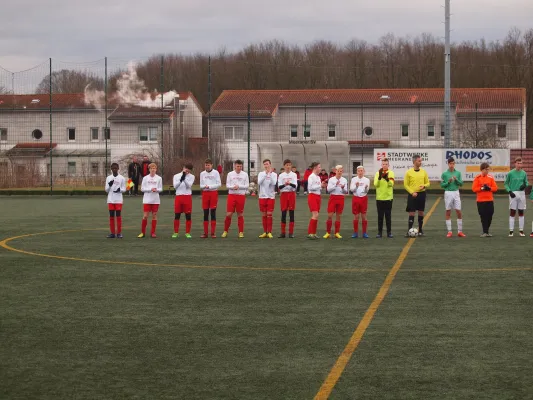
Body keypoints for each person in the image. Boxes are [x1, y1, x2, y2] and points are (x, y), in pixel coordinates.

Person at [404, 154, 430, 237]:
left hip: (422, 194)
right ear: (415, 162)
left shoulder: (423, 172)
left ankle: (420, 231)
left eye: (421, 161)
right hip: (412, 195)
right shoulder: (408, 172)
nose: (420, 162)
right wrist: (412, 192)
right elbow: (406, 185)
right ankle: (409, 231)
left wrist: (424, 186)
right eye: (419, 161)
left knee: (421, 212)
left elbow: (428, 183)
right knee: (411, 213)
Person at [222, 160, 249, 238]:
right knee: (229, 214)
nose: (239, 168)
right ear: (234, 166)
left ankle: (241, 232)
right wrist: (233, 187)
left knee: (240, 214)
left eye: (240, 166)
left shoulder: (245, 174)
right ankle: (225, 231)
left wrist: (239, 186)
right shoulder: (230, 174)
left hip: (241, 196)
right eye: (238, 166)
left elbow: (247, 185)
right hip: (232, 195)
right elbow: (227, 185)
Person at [441, 157, 466, 238]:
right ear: (448, 164)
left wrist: (456, 180)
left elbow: (461, 184)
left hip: (456, 192)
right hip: (448, 193)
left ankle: (460, 231)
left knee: (458, 211)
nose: (452, 165)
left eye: (453, 163)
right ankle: (449, 231)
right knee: (448, 211)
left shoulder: (458, 173)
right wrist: (448, 182)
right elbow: (442, 185)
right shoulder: (444, 174)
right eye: (450, 163)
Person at [504, 157, 529, 237]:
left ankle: (521, 230)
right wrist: (510, 191)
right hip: (513, 194)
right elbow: (506, 183)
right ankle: (511, 231)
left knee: (521, 212)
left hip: (521, 194)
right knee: (512, 212)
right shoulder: (510, 173)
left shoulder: (524, 173)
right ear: (515, 163)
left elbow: (527, 182)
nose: (519, 165)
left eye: (521, 163)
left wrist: (524, 185)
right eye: (518, 163)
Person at [472, 162, 498, 237]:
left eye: (488, 169)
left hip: (489, 200)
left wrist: (489, 188)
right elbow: (474, 189)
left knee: (490, 215)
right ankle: (485, 232)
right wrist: (482, 188)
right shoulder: (477, 178)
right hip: (480, 201)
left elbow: (495, 188)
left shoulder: (491, 177)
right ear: (482, 169)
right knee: (483, 216)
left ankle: (486, 231)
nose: (487, 171)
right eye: (486, 169)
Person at [138, 163, 163, 238]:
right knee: (145, 216)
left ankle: (153, 232)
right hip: (147, 200)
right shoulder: (145, 178)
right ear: (149, 169)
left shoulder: (159, 178)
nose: (153, 169)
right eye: (151, 168)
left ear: (156, 169)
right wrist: (150, 189)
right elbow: (142, 189)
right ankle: (142, 232)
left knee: (154, 215)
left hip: (155, 200)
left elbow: (161, 189)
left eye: (154, 168)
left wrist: (156, 190)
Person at [324, 165, 348, 239]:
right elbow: (328, 190)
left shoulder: (344, 180)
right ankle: (328, 233)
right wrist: (335, 185)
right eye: (338, 171)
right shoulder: (331, 179)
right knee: (330, 215)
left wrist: (343, 188)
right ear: (335, 171)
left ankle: (337, 233)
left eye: (341, 171)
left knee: (338, 216)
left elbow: (346, 191)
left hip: (341, 198)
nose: (339, 172)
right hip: (333, 198)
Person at [172, 163, 195, 239]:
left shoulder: (192, 176)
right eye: (186, 169)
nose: (187, 171)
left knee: (188, 216)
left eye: (189, 170)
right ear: (183, 168)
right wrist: (180, 180)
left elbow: (189, 186)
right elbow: (175, 186)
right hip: (179, 196)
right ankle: (176, 232)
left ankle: (187, 232)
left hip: (187, 197)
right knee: (177, 215)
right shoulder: (176, 176)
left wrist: (184, 179)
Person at [200, 158, 221, 238]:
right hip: (205, 194)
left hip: (213, 193)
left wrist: (210, 186)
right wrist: (205, 187)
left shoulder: (216, 173)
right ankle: (205, 233)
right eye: (206, 165)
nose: (207, 166)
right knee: (205, 213)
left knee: (213, 212)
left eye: (208, 165)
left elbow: (218, 184)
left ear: (212, 165)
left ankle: (212, 233)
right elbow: (201, 185)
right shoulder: (202, 173)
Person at [374, 158, 395, 238]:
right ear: (381, 165)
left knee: (388, 216)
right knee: (380, 216)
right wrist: (379, 178)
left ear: (388, 165)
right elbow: (376, 184)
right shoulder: (377, 173)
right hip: (379, 197)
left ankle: (389, 232)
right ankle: (379, 232)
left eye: (386, 164)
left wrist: (387, 179)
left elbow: (391, 184)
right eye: (383, 164)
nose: (384, 165)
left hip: (388, 197)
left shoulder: (391, 173)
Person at [105, 162, 127, 238]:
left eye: (116, 168)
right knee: (111, 216)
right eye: (113, 168)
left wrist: (119, 190)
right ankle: (112, 233)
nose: (114, 170)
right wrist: (109, 185)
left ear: (118, 169)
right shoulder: (108, 178)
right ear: (111, 169)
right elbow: (106, 190)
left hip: (118, 200)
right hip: (110, 200)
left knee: (118, 216)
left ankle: (119, 233)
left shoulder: (122, 178)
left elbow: (124, 189)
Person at [257, 159, 277, 238]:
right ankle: (265, 232)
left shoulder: (274, 174)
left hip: (270, 197)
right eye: (264, 164)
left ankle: (269, 232)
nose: (266, 166)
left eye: (267, 164)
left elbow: (273, 183)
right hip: (262, 196)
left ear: (270, 165)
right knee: (264, 214)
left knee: (269, 214)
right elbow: (259, 182)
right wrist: (266, 174)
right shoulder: (261, 173)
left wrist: (270, 174)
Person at [278, 159, 298, 238]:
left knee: (291, 213)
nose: (288, 167)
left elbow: (295, 186)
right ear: (284, 166)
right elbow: (279, 187)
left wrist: (289, 183)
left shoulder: (294, 175)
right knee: (283, 213)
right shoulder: (281, 175)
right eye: (287, 165)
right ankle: (283, 233)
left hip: (291, 194)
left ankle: (291, 233)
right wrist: (286, 185)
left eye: (289, 165)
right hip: (284, 195)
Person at [350, 165, 370, 238]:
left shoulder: (367, 180)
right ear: (357, 172)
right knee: (356, 216)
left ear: (364, 171)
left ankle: (364, 233)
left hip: (363, 198)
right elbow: (351, 190)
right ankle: (355, 233)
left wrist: (365, 188)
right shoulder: (354, 179)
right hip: (356, 198)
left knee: (364, 216)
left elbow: (367, 191)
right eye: (359, 171)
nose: (360, 172)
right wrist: (356, 186)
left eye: (361, 171)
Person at [307, 162, 325, 239]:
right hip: (312, 196)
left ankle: (313, 233)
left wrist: (322, 186)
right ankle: (310, 233)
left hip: (318, 196)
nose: (320, 168)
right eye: (319, 167)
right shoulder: (311, 177)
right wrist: (320, 185)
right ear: (315, 168)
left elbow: (318, 187)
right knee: (315, 215)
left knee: (316, 216)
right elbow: (310, 188)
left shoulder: (318, 177)